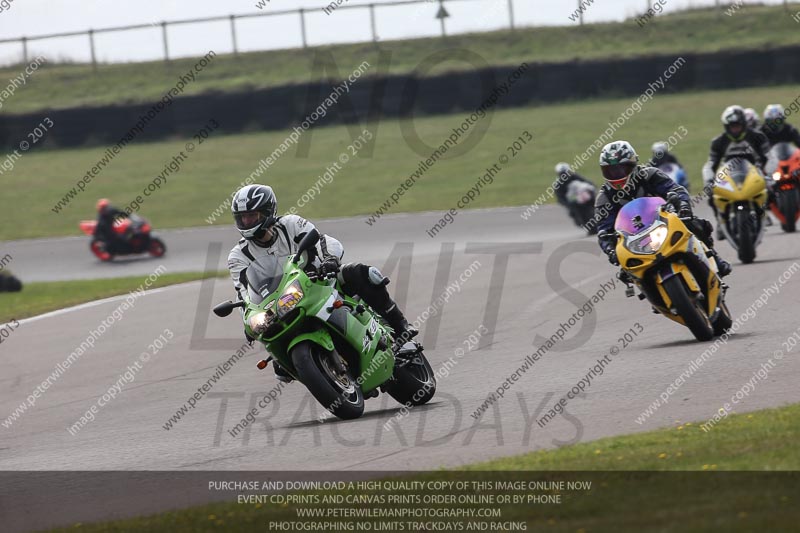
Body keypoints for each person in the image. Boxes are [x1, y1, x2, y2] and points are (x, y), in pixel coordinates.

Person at [227, 184, 417, 383]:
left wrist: (329, 260)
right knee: (279, 365)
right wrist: (248, 320)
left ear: (267, 212)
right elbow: (243, 292)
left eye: (252, 216)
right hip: (280, 305)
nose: (246, 222)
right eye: (242, 218)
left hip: (322, 281)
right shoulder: (238, 255)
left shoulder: (291, 224)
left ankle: (400, 327)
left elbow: (323, 240)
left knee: (362, 273)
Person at [594, 141, 731, 277]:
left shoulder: (650, 174)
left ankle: (714, 258)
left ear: (633, 164)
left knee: (694, 224)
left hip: (663, 222)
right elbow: (603, 229)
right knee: (626, 270)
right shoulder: (604, 197)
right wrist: (610, 249)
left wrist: (682, 205)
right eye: (610, 171)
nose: (616, 175)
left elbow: (676, 189)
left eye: (620, 169)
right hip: (633, 239)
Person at [704, 105, 772, 235]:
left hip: (753, 172)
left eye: (738, 125)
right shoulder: (718, 142)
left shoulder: (757, 136)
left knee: (771, 192)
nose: (735, 129)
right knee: (712, 195)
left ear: (744, 124)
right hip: (729, 174)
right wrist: (708, 180)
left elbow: (769, 157)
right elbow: (710, 164)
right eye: (732, 126)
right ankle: (720, 220)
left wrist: (769, 174)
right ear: (726, 126)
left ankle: (763, 213)